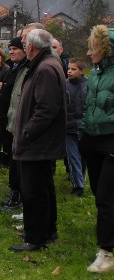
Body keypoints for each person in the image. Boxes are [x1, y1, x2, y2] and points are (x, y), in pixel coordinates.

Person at [10, 28, 66, 252]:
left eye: (24, 43)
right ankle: (47, 231)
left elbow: (46, 108)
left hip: (37, 142)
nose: (23, 46)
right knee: (43, 188)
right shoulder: (46, 64)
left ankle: (35, 238)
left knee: (33, 191)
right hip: (40, 141)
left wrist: (27, 132)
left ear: (31, 47)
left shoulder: (44, 68)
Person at [80, 25, 114, 273]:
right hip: (92, 139)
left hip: (111, 140)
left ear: (106, 49)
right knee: (97, 192)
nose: (89, 53)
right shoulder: (95, 73)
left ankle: (107, 252)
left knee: (105, 197)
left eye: (92, 48)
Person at [0, 37, 30, 211]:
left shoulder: (26, 68)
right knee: (12, 157)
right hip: (7, 118)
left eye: (15, 49)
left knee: (16, 160)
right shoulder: (14, 68)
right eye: (9, 49)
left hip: (17, 120)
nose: (11, 52)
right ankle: (15, 191)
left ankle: (17, 194)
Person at [65, 58, 87, 197]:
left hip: (85, 127)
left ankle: (81, 179)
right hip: (68, 127)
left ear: (82, 71)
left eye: (73, 69)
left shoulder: (88, 85)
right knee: (73, 157)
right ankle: (78, 185)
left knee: (83, 156)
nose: (69, 71)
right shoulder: (64, 85)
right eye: (68, 69)